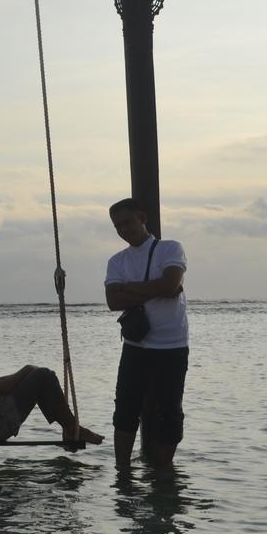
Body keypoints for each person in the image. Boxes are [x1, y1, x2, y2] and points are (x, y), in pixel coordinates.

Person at [0, 306, 103, 446]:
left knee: (38, 376)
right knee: (44, 375)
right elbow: (2, 388)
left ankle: (70, 428)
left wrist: (26, 375)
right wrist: (27, 369)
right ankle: (73, 428)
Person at [105, 197, 189, 468]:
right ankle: (122, 470)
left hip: (172, 345)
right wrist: (160, 287)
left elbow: (172, 283)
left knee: (170, 411)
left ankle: (163, 471)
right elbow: (113, 301)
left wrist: (130, 288)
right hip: (136, 344)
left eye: (127, 222)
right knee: (126, 408)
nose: (123, 230)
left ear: (142, 217)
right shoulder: (117, 261)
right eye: (117, 226)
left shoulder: (170, 248)